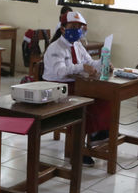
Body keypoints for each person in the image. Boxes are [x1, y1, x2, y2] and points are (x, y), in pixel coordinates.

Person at [42, 10, 110, 165]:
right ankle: (76, 149)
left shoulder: (77, 45)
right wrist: (81, 67)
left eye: (79, 27)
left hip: (75, 85)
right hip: (57, 88)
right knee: (85, 105)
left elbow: (89, 62)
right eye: (73, 26)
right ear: (63, 29)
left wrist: (103, 62)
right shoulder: (55, 48)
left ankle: (97, 134)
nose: (77, 30)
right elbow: (60, 72)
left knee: (105, 96)